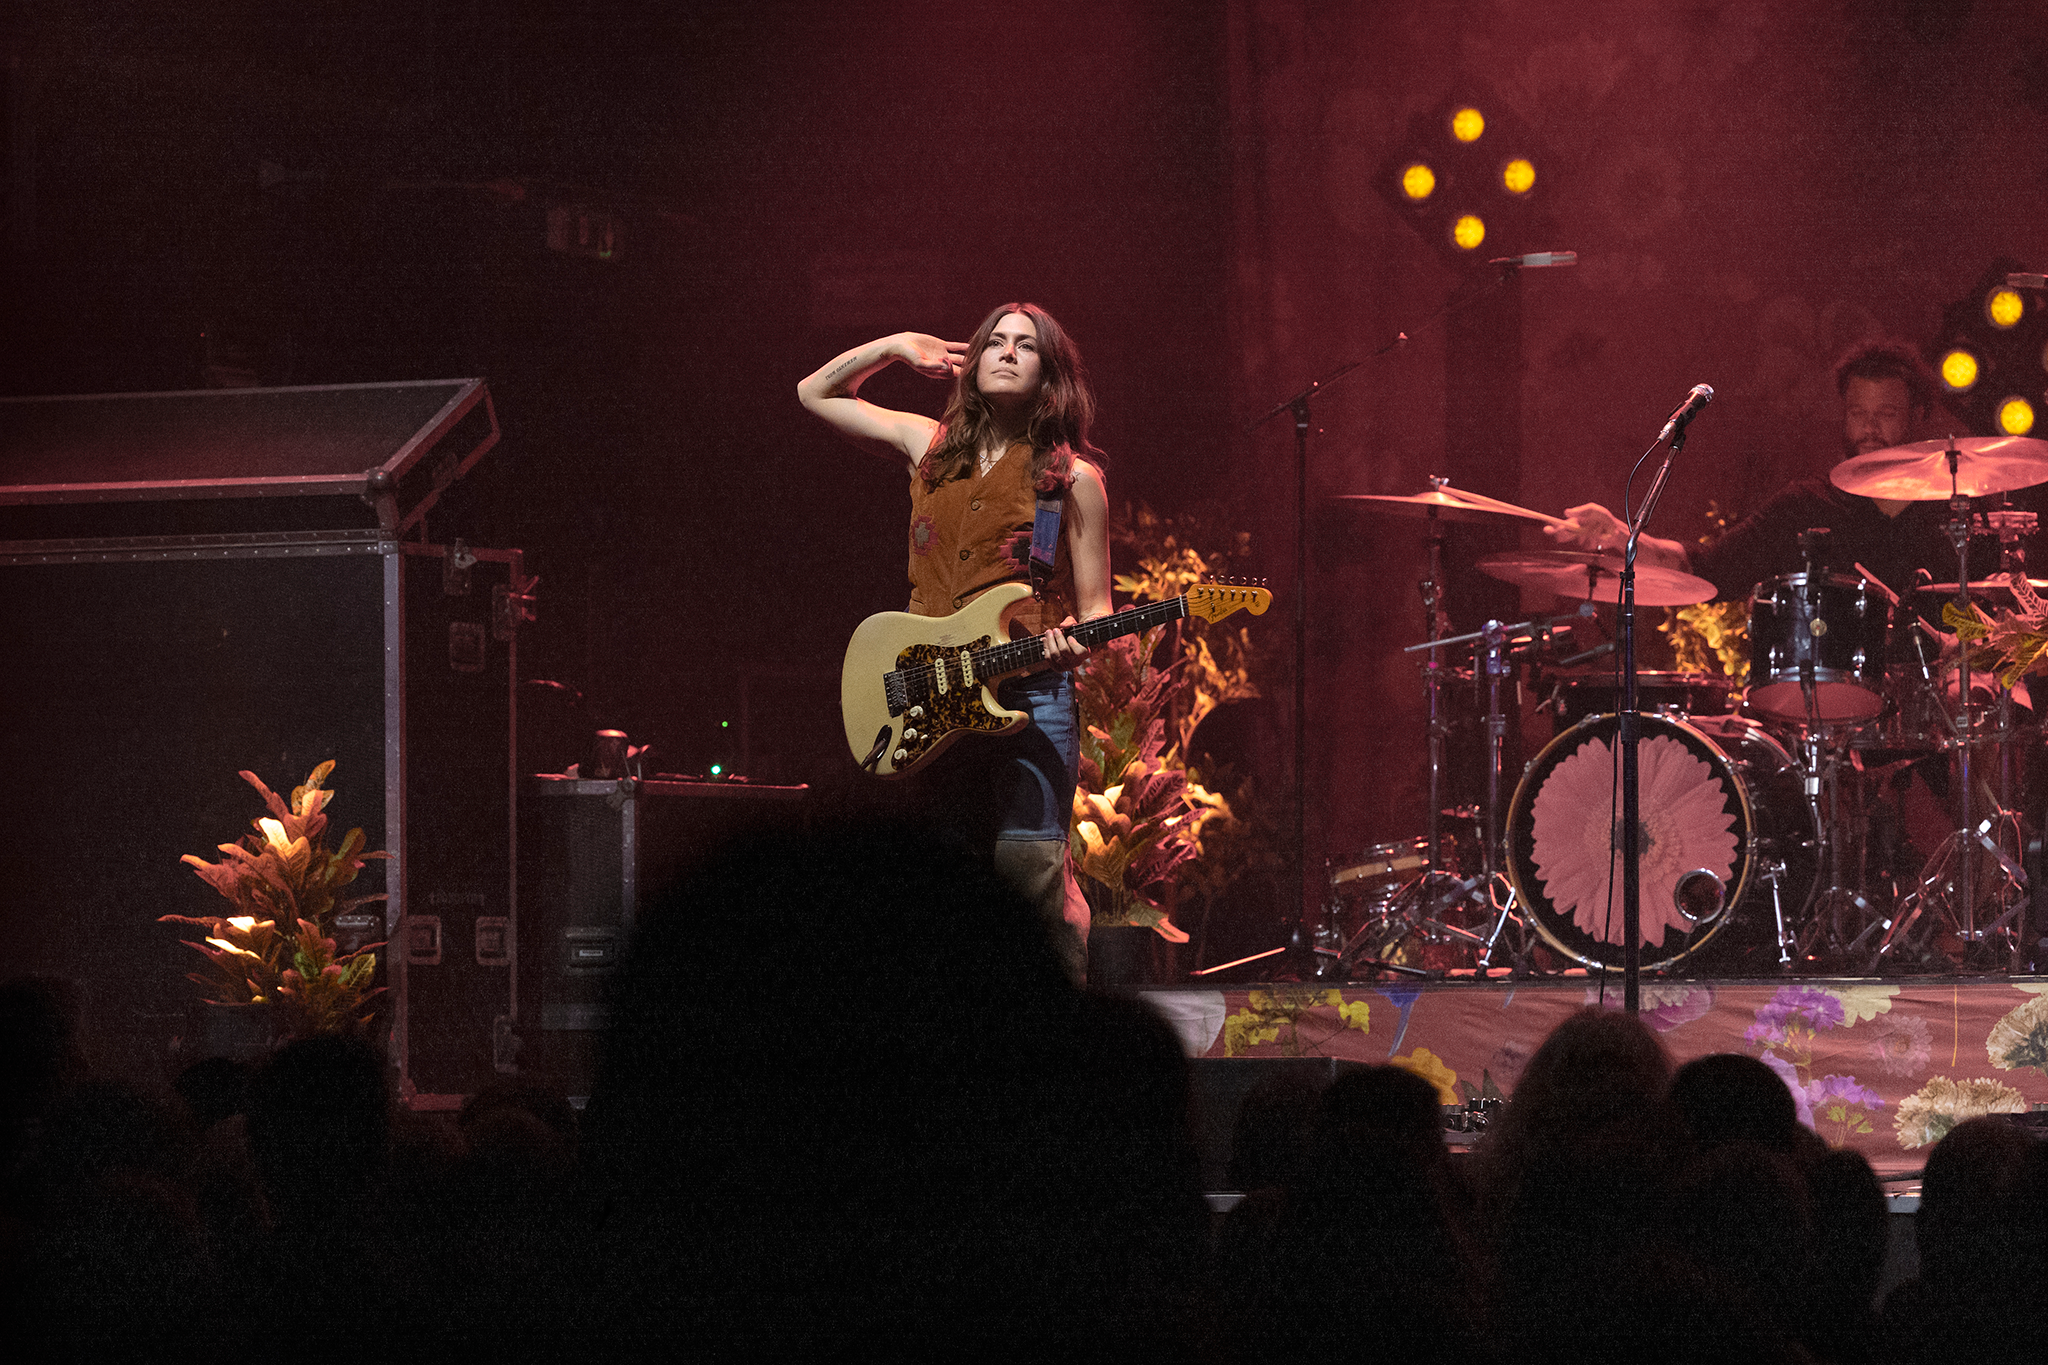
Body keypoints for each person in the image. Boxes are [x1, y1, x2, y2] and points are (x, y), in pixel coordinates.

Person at [798, 304, 1113, 976]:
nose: (1007, 352)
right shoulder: (929, 446)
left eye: (1026, 345)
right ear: (971, 362)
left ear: (1050, 373)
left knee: (1032, 882)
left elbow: (1096, 611)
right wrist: (892, 344)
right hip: (928, 697)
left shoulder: (1074, 480)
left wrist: (1074, 641)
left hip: (1030, 693)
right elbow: (814, 392)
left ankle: (1050, 1029)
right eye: (994, 342)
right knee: (940, 891)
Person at [1546, 339, 2014, 602]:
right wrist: (1621, 535)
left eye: (1886, 414)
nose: (1869, 428)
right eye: (1857, 413)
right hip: (1827, 714)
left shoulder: (1959, 511)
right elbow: (1703, 566)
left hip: (1942, 718)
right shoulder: (1805, 506)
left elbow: (2006, 605)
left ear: (1919, 415)